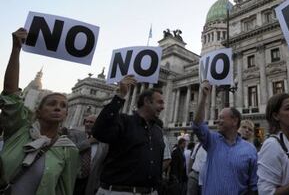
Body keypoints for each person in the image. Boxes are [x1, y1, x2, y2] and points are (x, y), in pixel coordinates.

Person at [0, 28, 79, 195]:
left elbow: (64, 190)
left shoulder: (68, 150)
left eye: (63, 106)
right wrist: (16, 50)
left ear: (66, 115)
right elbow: (10, 94)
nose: (58, 107)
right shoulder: (19, 131)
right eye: (52, 103)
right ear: (39, 111)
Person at [93, 76, 166, 195]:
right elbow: (99, 131)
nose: (163, 107)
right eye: (160, 102)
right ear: (147, 101)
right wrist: (120, 96)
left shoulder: (157, 131)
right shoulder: (123, 121)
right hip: (118, 191)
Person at [192, 80, 258, 195]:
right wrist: (203, 97)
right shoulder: (212, 141)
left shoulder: (250, 150)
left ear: (234, 121)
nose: (218, 121)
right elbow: (197, 126)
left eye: (222, 118)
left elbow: (253, 186)